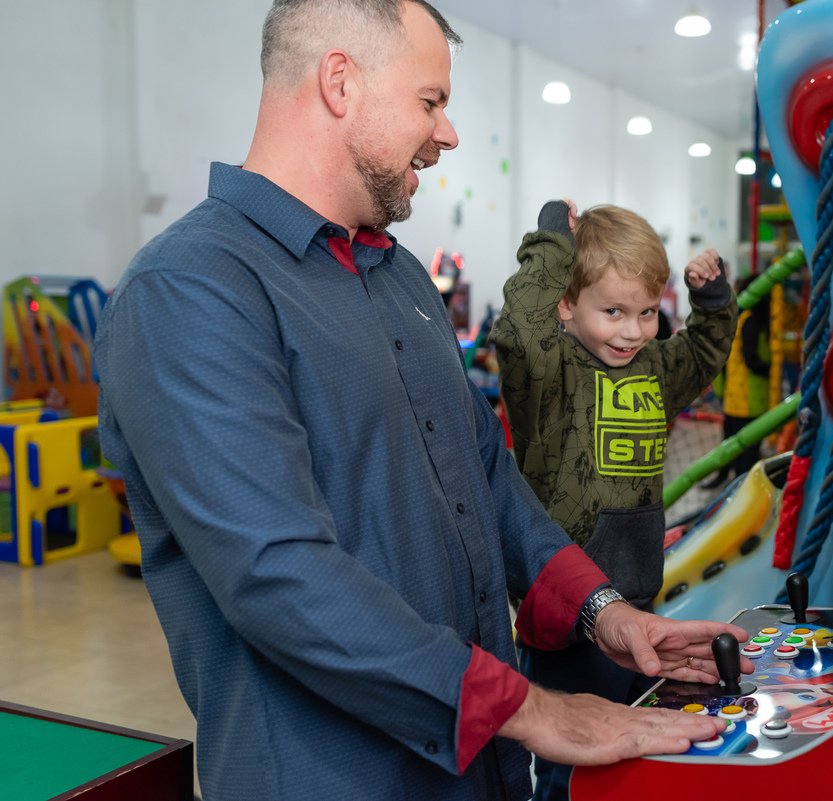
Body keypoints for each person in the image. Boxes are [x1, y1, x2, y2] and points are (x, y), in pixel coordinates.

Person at [93, 3, 750, 800]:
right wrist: (534, 707)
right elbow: (277, 573)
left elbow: (488, 478)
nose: (449, 133)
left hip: (481, 765)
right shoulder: (191, 290)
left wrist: (603, 609)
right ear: (340, 82)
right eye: (430, 101)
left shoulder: (398, 276)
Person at [490, 200, 738, 800]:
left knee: (632, 754)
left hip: (639, 601)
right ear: (567, 304)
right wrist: (552, 245)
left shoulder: (653, 367)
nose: (632, 331)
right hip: (566, 616)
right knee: (572, 766)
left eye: (647, 312)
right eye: (613, 312)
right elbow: (520, 332)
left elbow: (704, 352)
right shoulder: (550, 376)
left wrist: (711, 300)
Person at [702, 275, 773, 488]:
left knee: (732, 445)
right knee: (745, 453)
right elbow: (751, 359)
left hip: (736, 397)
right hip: (751, 399)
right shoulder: (752, 320)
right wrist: (772, 369)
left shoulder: (739, 319)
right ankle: (737, 487)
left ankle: (726, 479)